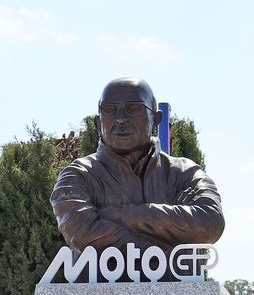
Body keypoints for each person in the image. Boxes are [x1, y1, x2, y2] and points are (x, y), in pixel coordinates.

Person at [50, 77, 225, 253]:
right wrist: (161, 253)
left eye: (134, 109)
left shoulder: (184, 173)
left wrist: (122, 214)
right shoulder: (77, 176)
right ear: (98, 123)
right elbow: (83, 233)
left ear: (156, 119)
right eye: (110, 110)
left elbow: (211, 223)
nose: (121, 119)